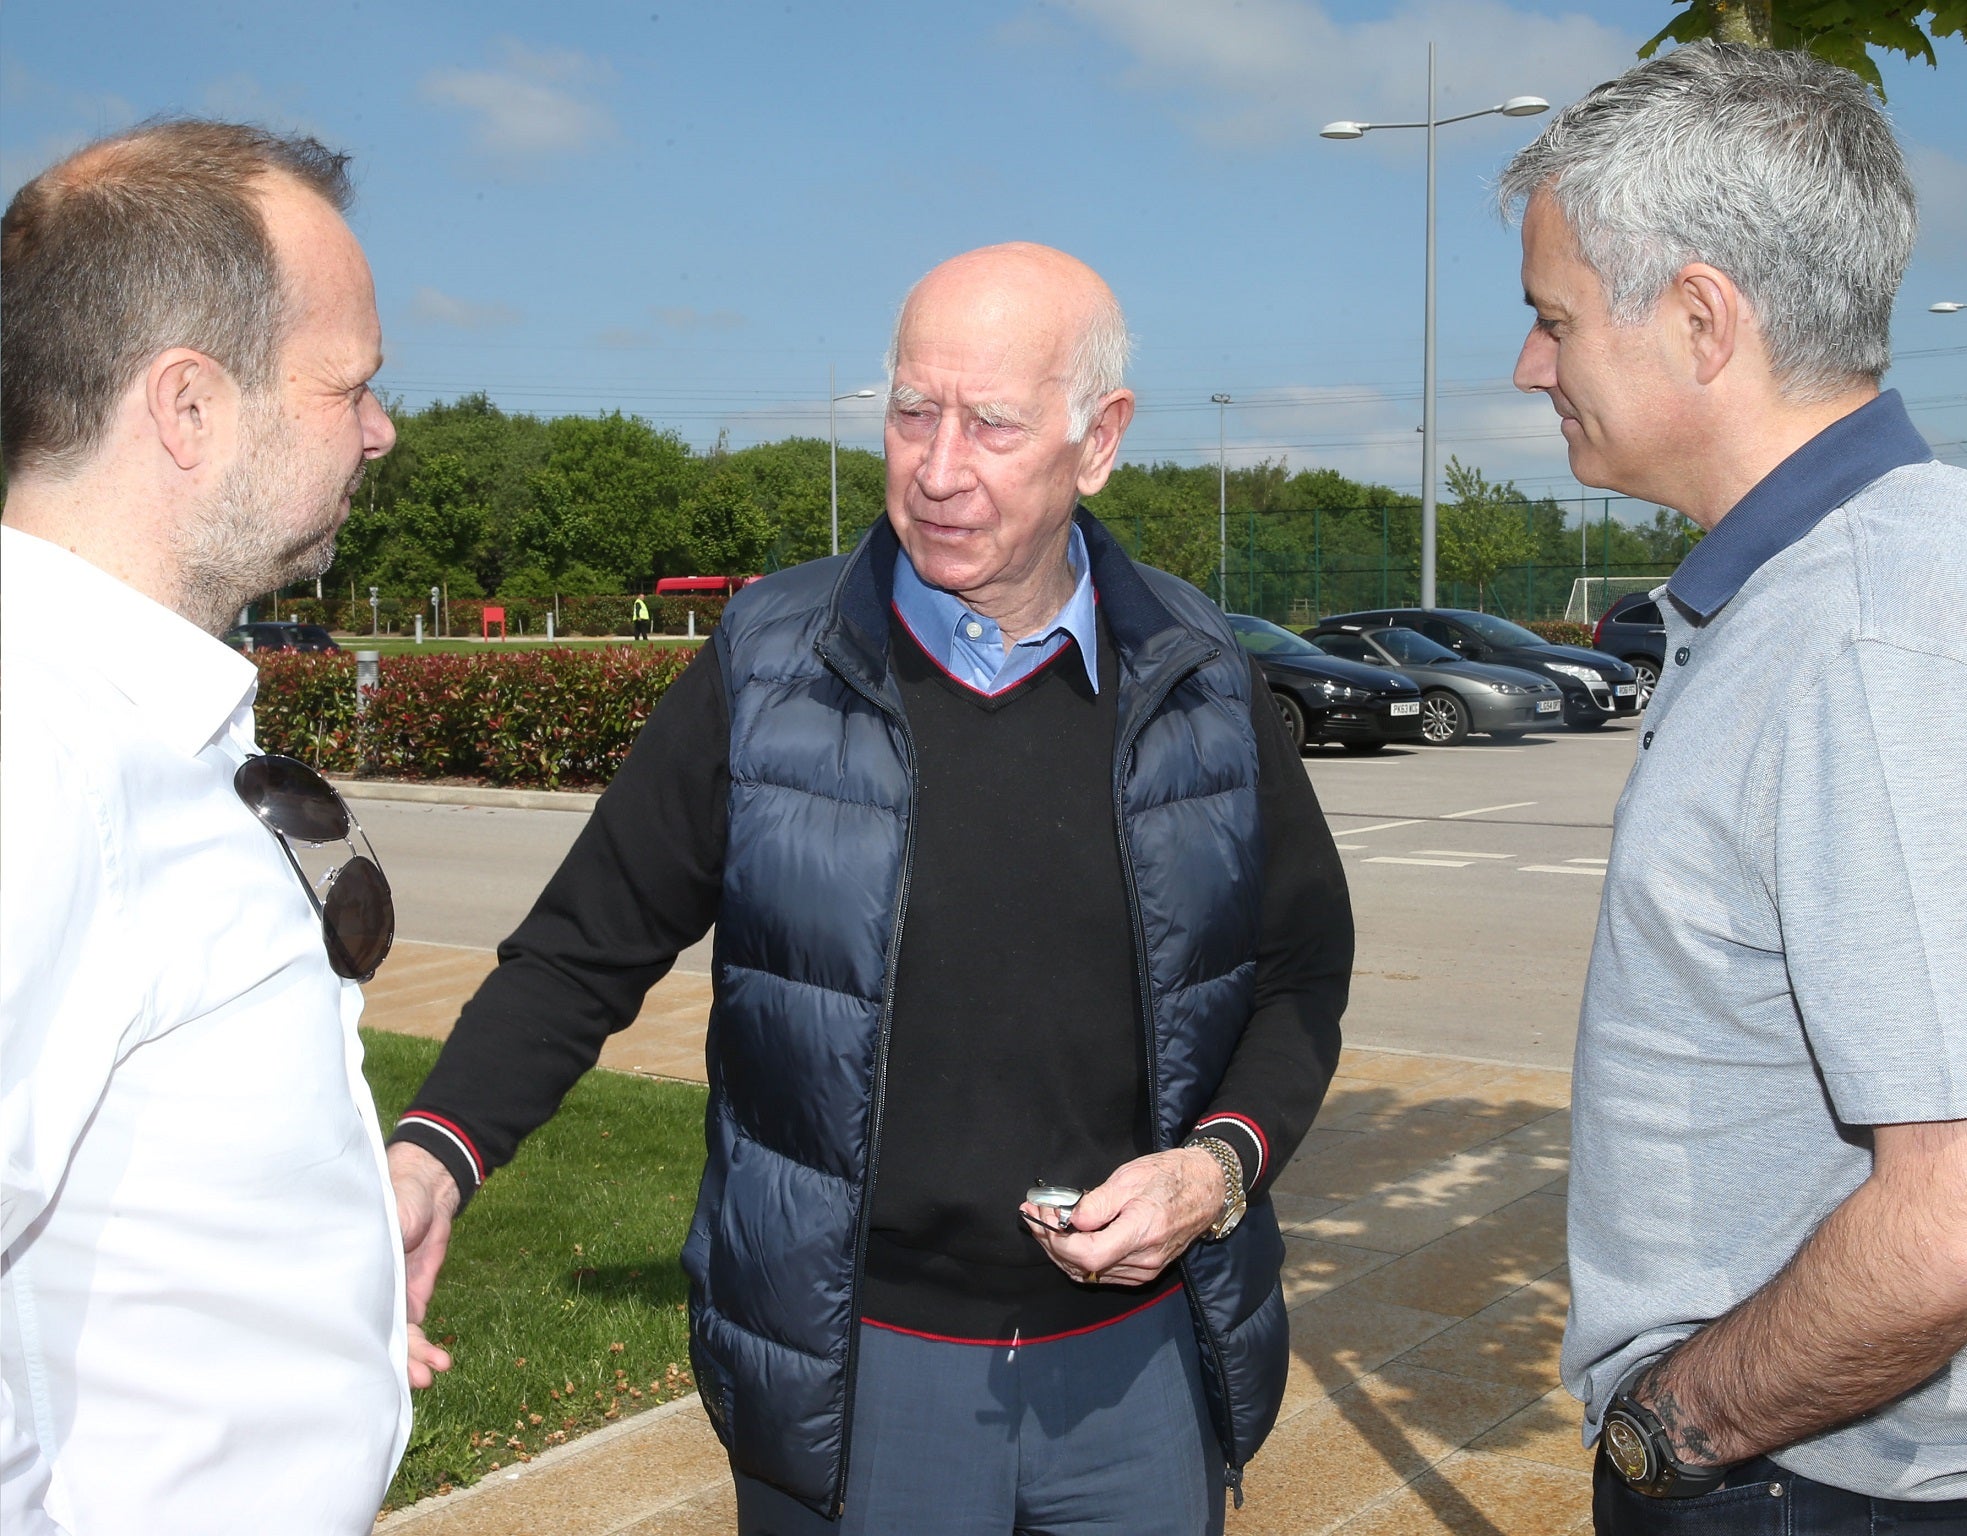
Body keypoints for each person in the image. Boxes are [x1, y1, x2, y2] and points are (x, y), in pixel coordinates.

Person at [384, 242, 1351, 1533]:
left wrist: (1220, 1170)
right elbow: (582, 950)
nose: (938, 468)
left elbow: (1299, 972)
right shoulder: (769, 667)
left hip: (1144, 1384)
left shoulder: (1201, 678)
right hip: (860, 1393)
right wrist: (434, 1157)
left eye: (993, 424)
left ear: (1099, 438)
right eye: (911, 410)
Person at [1499, 43, 1967, 1531]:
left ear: (1698, 319)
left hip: (1834, 1481)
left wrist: (1668, 1433)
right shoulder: (1845, 590)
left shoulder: (1872, 635)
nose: (1528, 367)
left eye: (1553, 320)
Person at [0, 121, 445, 1534]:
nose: (380, 427)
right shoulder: (44, 753)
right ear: (188, 408)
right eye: (349, 384)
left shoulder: (131, 714)